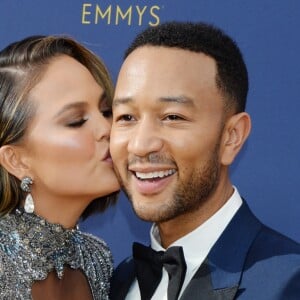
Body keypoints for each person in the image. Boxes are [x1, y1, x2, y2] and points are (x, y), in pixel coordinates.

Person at [110, 21, 300, 299]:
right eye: (126, 117)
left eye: (173, 117)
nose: (140, 145)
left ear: (231, 137)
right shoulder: (116, 280)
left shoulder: (289, 283)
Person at [0, 35, 120, 299]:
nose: (107, 129)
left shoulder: (97, 259)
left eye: (106, 111)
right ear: (16, 160)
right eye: (77, 121)